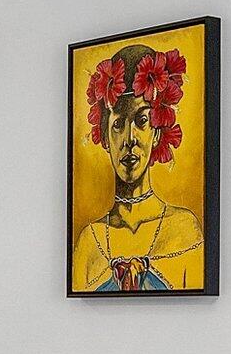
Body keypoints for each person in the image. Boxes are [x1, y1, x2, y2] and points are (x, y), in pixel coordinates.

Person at [72, 42, 205, 292]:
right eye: (118, 124)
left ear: (157, 132)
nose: (130, 138)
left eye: (142, 120)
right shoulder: (90, 241)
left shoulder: (185, 230)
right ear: (104, 136)